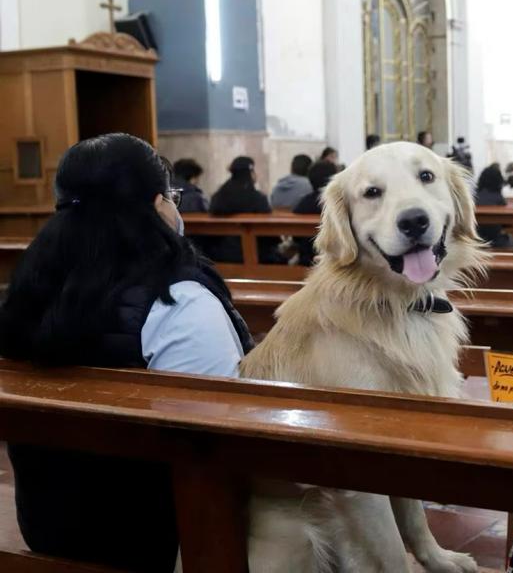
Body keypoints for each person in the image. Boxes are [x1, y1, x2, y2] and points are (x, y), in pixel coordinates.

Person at [0, 133, 253, 573]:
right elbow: (221, 441)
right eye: (173, 197)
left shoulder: (28, 294)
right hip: (165, 539)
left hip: (49, 526)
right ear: (158, 204)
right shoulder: (178, 303)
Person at [293, 159, 341, 265]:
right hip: (335, 263)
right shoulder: (338, 203)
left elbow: (295, 237)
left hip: (306, 260)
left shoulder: (303, 203)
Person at [474, 164, 513, 248]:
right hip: (495, 240)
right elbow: (507, 222)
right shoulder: (499, 198)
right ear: (498, 180)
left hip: (477, 240)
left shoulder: (474, 197)